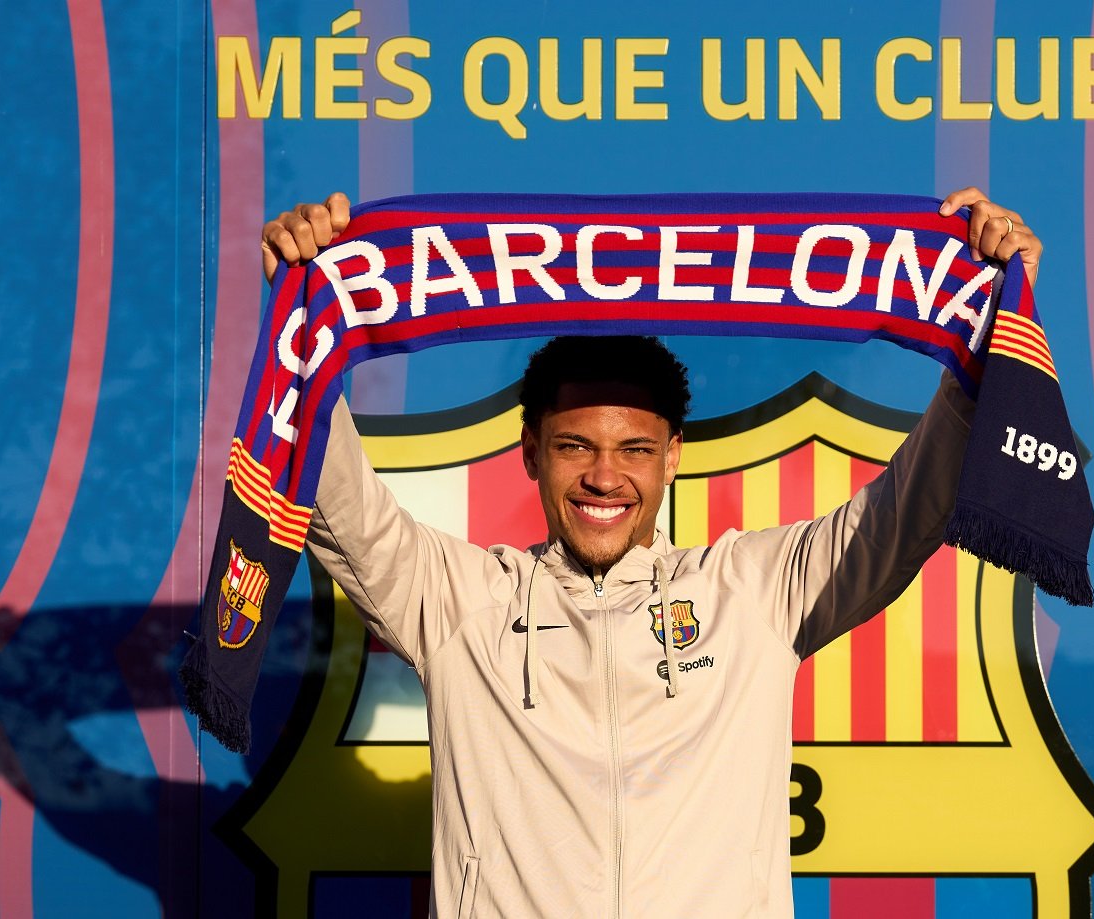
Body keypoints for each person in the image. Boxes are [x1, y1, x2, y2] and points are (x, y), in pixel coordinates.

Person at [261, 189, 1043, 918]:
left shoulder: (753, 591)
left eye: (634, 449)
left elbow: (905, 514)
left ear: (673, 455)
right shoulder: (462, 602)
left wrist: (985, 339)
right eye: (575, 446)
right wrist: (302, 313)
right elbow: (340, 508)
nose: (605, 476)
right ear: (530, 450)